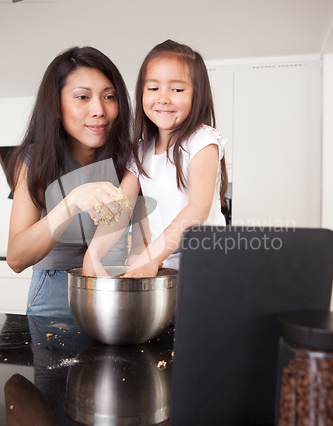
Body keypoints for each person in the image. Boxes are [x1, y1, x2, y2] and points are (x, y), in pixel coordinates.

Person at [82, 39, 228, 278]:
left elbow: (197, 211)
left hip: (206, 267)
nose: (163, 98)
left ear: (197, 95)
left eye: (177, 90)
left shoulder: (202, 142)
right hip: (164, 266)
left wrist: (151, 257)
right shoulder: (141, 151)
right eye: (153, 89)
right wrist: (93, 253)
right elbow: (121, 209)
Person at [6, 46, 133, 317]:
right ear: (55, 107)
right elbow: (16, 258)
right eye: (82, 97)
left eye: (109, 96)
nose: (99, 109)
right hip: (55, 290)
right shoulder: (34, 160)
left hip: (118, 286)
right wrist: (72, 201)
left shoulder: (131, 158)